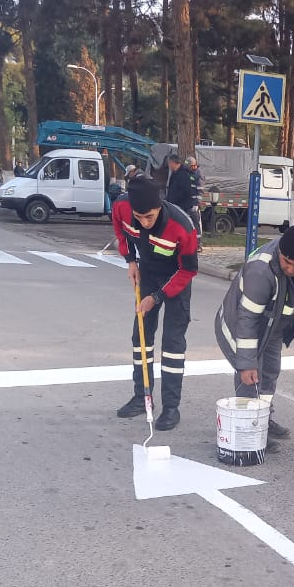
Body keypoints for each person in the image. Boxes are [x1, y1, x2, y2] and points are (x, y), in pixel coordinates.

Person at [214, 226, 294, 454]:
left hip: (272, 324)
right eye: (287, 263)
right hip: (240, 326)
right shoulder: (260, 272)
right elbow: (247, 319)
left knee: (270, 370)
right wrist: (246, 364)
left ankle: (263, 419)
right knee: (250, 378)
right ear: (280, 252)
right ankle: (248, 430)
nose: (291, 269)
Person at [113, 177, 199, 430]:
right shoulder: (122, 207)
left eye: (149, 217)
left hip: (177, 278)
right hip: (148, 273)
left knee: (172, 344)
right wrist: (130, 260)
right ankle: (142, 397)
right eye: (139, 217)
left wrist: (157, 297)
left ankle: (171, 408)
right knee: (140, 337)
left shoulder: (182, 226)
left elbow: (189, 270)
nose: (144, 222)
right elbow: (120, 229)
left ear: (159, 206)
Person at [185, 155, 204, 248]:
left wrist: (196, 204)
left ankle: (198, 243)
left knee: (196, 223)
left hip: (194, 204)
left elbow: (200, 191)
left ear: (192, 165)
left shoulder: (198, 174)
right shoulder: (190, 173)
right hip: (189, 203)